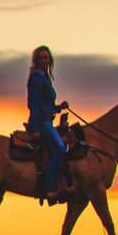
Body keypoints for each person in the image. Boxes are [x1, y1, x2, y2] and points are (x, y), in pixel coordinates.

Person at [28, 45, 71, 203]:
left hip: (48, 118)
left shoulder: (45, 77)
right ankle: (51, 188)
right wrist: (35, 128)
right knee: (58, 147)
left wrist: (59, 107)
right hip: (42, 121)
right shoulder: (36, 77)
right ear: (36, 60)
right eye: (40, 58)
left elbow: (45, 102)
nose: (44, 60)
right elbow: (33, 103)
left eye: (46, 57)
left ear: (50, 60)